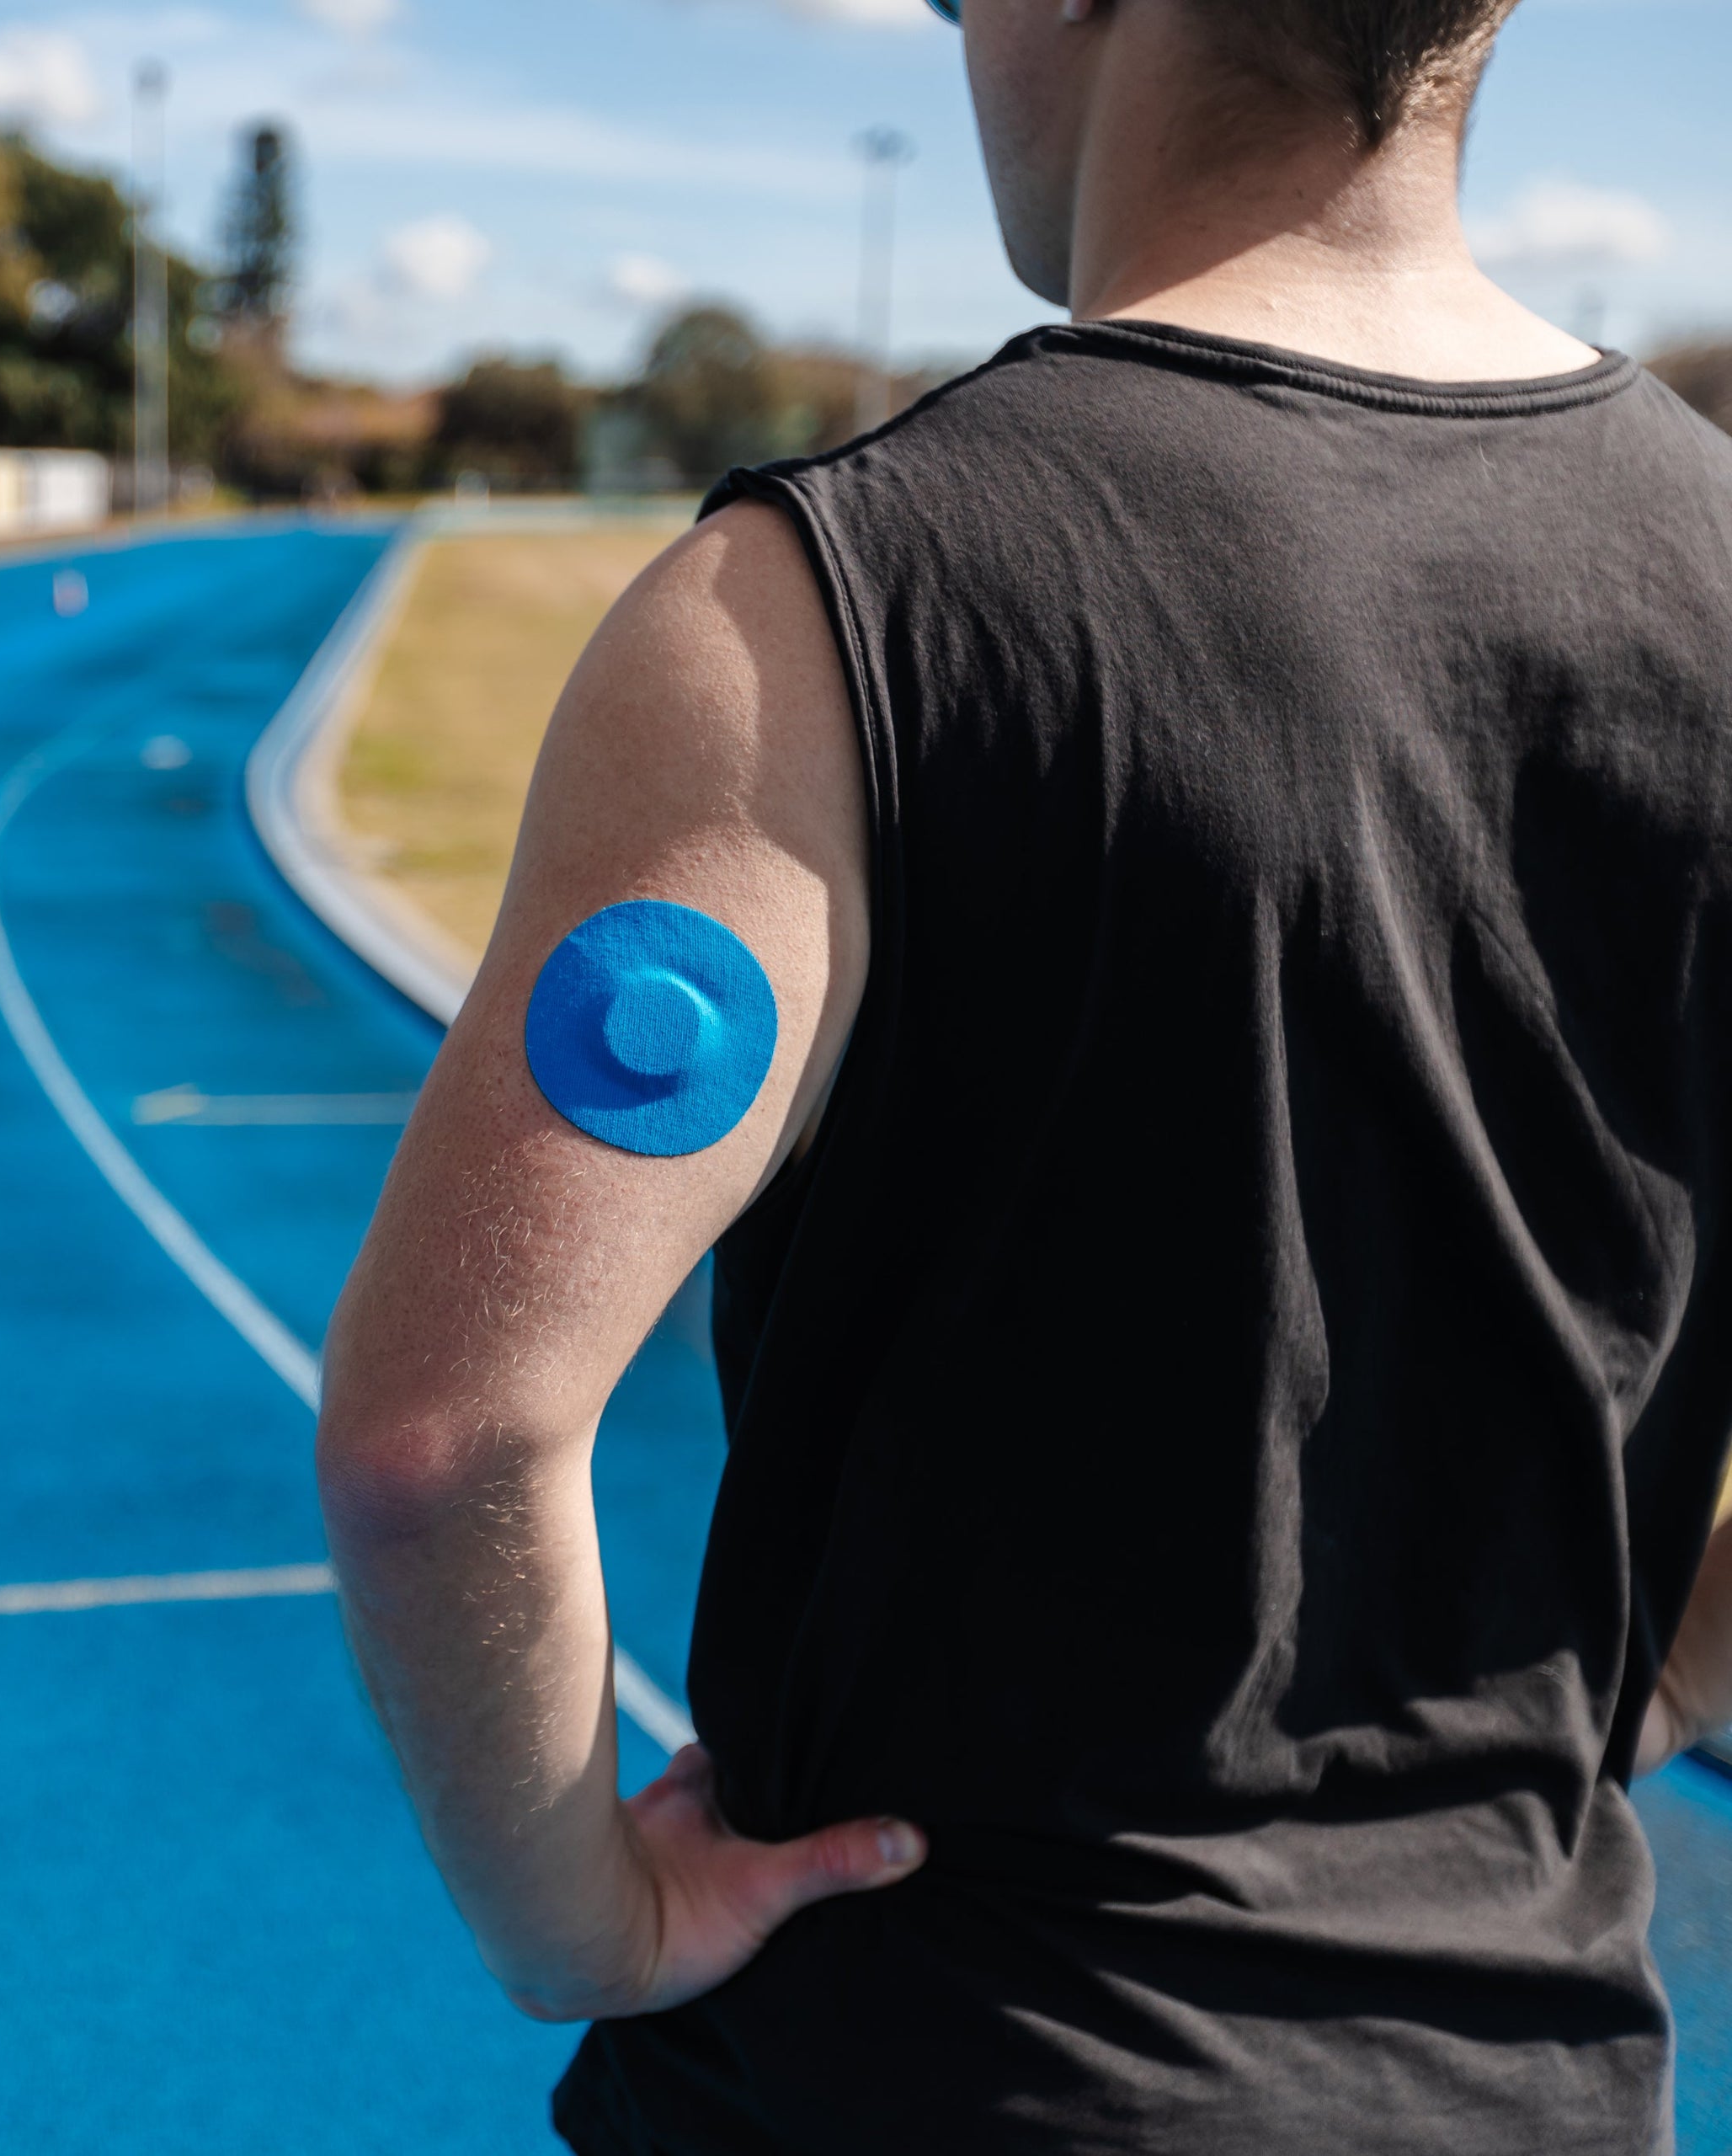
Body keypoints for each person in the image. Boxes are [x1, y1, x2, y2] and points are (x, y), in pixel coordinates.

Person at [312, 0, 1732, 2148]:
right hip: (1521, 2078)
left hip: (919, 2066)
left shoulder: (814, 605)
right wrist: (1675, 1683)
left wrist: (578, 1924)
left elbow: (446, 1437)